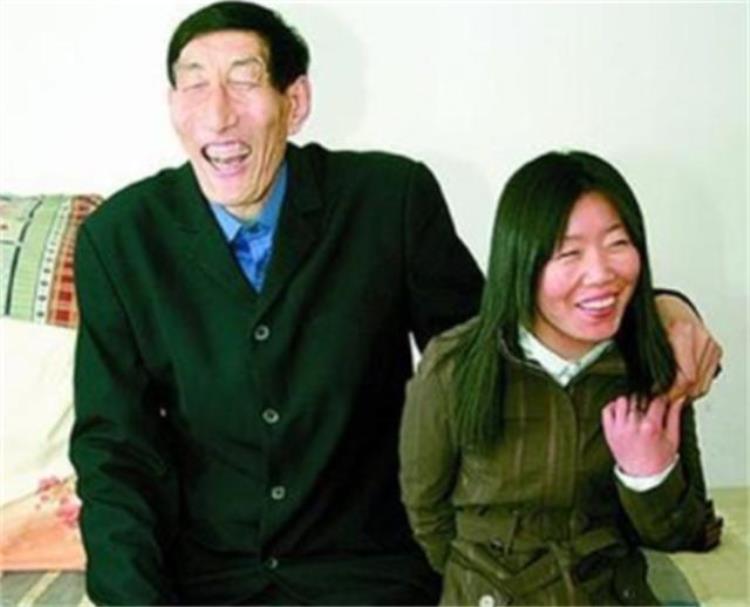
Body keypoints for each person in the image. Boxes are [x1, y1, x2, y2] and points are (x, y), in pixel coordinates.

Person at [70, 2, 720, 605]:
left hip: (373, 572)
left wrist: (660, 307)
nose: (217, 115)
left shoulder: (389, 199)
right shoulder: (118, 240)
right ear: (172, 105)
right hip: (210, 580)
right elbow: (115, 452)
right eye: (193, 85)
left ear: (295, 101)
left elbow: (495, 348)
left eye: (243, 81)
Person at [399, 151, 722, 606]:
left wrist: (649, 475)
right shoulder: (454, 365)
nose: (601, 274)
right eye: (569, 253)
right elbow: (427, 516)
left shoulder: (652, 363)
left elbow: (685, 532)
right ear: (521, 262)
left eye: (617, 243)